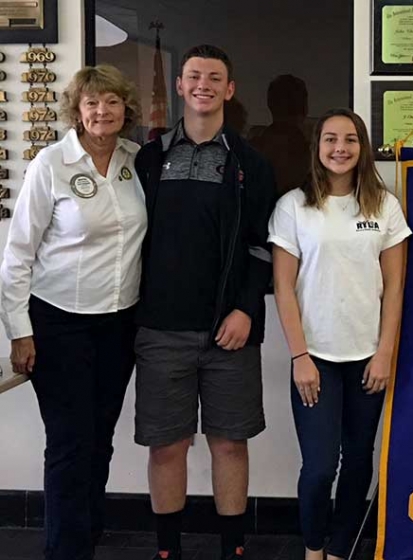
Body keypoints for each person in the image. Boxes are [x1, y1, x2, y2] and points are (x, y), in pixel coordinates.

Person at [132, 44, 276, 560]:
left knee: (230, 444)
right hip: (160, 330)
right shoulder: (147, 160)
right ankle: (167, 549)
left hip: (229, 331)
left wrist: (245, 309)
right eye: (194, 76)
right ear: (179, 85)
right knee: (167, 446)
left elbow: (263, 245)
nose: (203, 85)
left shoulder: (252, 163)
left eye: (215, 78)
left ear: (229, 89)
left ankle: (232, 549)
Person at [0, 65, 145, 560]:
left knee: (100, 439)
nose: (101, 112)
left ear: (125, 109)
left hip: (119, 323)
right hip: (59, 322)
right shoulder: (51, 163)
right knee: (69, 442)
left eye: (111, 102)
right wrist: (20, 332)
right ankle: (65, 550)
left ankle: (88, 537)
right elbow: (18, 254)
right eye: (91, 104)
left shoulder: (136, 162)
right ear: (77, 111)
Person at [269, 108, 410, 560]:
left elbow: (395, 289)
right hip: (316, 360)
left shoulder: (384, 206)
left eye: (350, 140)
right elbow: (283, 289)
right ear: (317, 146)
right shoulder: (294, 205)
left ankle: (341, 549)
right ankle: (314, 548)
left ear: (362, 148)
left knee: (358, 461)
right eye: (330, 139)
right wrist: (300, 357)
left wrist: (384, 353)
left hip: (368, 357)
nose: (340, 148)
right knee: (319, 466)